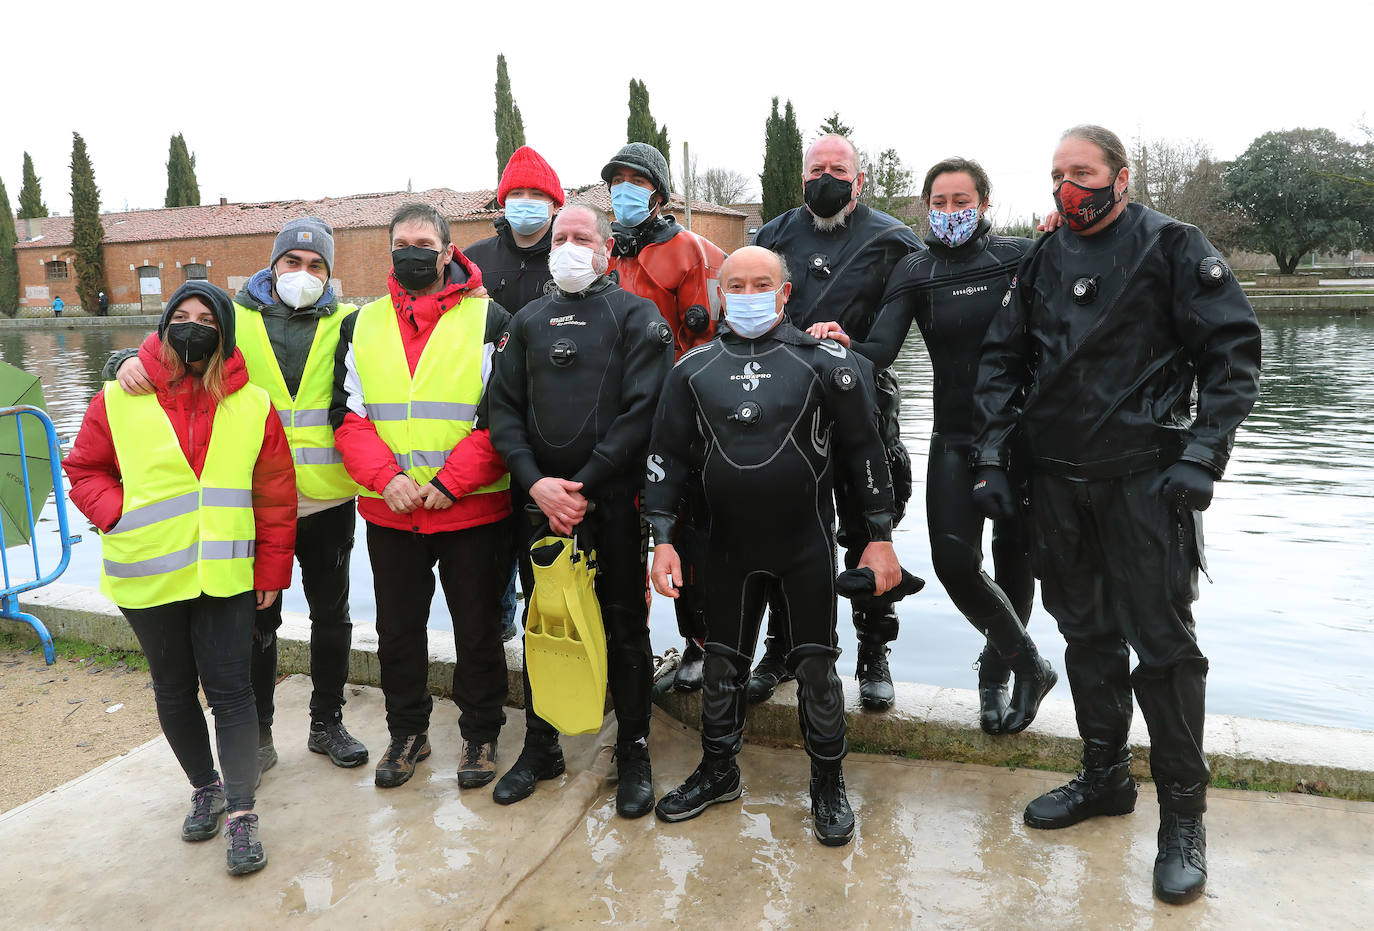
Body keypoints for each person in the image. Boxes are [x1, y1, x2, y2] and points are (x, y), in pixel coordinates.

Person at [971, 125, 1261, 905]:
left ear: (1120, 177)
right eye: (1059, 173)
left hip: (1145, 483)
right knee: (1084, 634)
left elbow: (1233, 353)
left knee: (1163, 647)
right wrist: (994, 457)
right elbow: (1002, 361)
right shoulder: (1040, 256)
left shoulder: (1173, 245)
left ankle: (1183, 817)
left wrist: (1203, 454)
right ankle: (1104, 775)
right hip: (1058, 483)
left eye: (1084, 172)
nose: (1069, 187)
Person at [646, 245, 901, 847]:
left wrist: (880, 539)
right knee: (722, 662)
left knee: (816, 664)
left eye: (763, 283)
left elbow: (867, 453)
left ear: (785, 294)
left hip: (804, 544)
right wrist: (660, 540)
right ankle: (718, 770)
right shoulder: (692, 369)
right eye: (736, 284)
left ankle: (828, 783)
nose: (749, 293)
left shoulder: (826, 363)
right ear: (720, 294)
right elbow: (664, 460)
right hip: (725, 546)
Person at [109, 217, 368, 777]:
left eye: (316, 266)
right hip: (248, 500)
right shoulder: (235, 315)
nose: (303, 274)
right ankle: (262, 730)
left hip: (327, 500)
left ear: (330, 274)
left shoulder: (349, 322)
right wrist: (125, 360)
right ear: (272, 266)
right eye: (292, 263)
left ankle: (327, 721)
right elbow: (172, 344)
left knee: (333, 614)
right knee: (256, 619)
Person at [807, 158, 1057, 736]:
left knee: (1013, 562)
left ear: (984, 204)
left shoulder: (1020, 257)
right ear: (926, 208)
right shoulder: (916, 270)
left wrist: (1057, 237)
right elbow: (881, 351)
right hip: (953, 436)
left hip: (1021, 435)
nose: (950, 212)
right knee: (953, 562)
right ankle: (1031, 665)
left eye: (961, 201)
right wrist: (840, 339)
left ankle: (996, 675)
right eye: (939, 203)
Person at [64, 280, 296, 876]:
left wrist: (271, 571)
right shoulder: (118, 397)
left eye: (206, 319)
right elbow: (84, 468)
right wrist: (116, 513)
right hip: (149, 572)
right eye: (181, 315)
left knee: (233, 693)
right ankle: (206, 787)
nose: (192, 327)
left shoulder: (255, 404)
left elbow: (274, 498)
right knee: (172, 689)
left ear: (224, 333)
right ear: (164, 324)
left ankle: (242, 813)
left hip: (226, 576)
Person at [486, 204, 671, 817]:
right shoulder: (528, 322)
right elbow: (503, 412)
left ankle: (635, 751)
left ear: (606, 247)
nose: (567, 245)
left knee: (625, 625)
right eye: (560, 237)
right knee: (545, 623)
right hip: (539, 504)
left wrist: (585, 485)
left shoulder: (636, 317)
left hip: (611, 503)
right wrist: (537, 484)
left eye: (581, 237)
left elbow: (643, 411)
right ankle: (542, 746)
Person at [330, 202, 512, 790]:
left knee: (478, 629)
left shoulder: (491, 320)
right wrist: (388, 480)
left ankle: (481, 734)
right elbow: (346, 416)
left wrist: (448, 483)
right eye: (400, 243)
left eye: (423, 242)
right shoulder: (360, 325)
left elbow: (501, 418)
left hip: (472, 510)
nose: (412, 252)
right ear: (390, 251)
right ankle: (408, 732)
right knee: (397, 631)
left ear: (446, 249)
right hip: (392, 511)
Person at [752, 133, 922, 711]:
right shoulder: (773, 235)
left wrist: (850, 346)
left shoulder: (894, 241)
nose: (827, 177)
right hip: (786, 403)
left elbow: (890, 342)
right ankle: (781, 648)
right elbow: (754, 312)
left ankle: (874, 649)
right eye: (817, 168)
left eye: (839, 168)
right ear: (803, 177)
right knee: (782, 526)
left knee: (867, 527)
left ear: (860, 178)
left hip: (864, 400)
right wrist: (802, 338)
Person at [601, 141, 728, 692]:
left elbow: (702, 341)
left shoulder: (689, 253)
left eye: (636, 179)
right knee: (626, 534)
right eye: (616, 180)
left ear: (658, 191)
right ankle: (630, 644)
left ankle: (699, 641)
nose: (624, 189)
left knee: (687, 534)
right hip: (618, 417)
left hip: (679, 418)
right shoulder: (605, 254)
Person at [465, 145, 565, 643]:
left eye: (537, 195)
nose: (525, 203)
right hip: (484, 416)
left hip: (551, 419)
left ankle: (543, 634)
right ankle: (498, 627)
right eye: (516, 194)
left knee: (542, 536)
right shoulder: (476, 261)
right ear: (501, 202)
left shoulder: (568, 257)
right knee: (491, 536)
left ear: (555, 203)